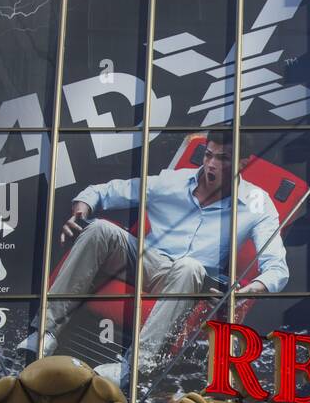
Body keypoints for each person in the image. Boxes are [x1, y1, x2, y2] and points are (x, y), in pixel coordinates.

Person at [20, 129, 288, 386]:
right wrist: (83, 207)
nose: (211, 165)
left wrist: (251, 289)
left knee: (190, 267)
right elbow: (107, 190)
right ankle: (46, 332)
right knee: (101, 228)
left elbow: (277, 267)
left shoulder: (257, 203)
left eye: (223, 158)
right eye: (208, 155)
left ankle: (133, 368)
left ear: (242, 164)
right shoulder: (172, 182)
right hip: (145, 261)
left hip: (187, 279)